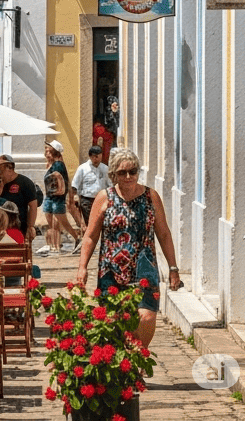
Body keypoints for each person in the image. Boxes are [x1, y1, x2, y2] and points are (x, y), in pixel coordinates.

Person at [76, 147, 182, 348]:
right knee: (115, 321)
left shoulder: (151, 197)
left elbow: (164, 234)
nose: (128, 176)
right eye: (122, 172)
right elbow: (90, 236)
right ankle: (125, 359)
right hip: (111, 269)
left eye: (132, 171)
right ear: (113, 174)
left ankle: (139, 353)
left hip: (145, 266)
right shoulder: (104, 197)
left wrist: (173, 268)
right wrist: (82, 267)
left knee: (146, 316)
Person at [41, 140, 79, 255]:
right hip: (50, 196)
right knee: (53, 223)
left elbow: (59, 180)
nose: (46, 152)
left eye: (49, 150)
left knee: (60, 222)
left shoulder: (58, 165)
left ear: (54, 152)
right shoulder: (53, 164)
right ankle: (55, 245)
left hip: (57, 197)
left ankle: (76, 238)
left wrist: (67, 195)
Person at [0, 154, 37, 238]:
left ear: (9, 168)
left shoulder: (25, 182)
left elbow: (33, 206)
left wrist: (30, 226)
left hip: (18, 229)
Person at [71, 145, 110, 231]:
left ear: (101, 156)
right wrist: (74, 198)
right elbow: (75, 184)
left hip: (102, 200)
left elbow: (110, 185)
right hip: (87, 201)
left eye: (97, 157)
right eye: (93, 157)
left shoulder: (105, 169)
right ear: (90, 157)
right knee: (90, 224)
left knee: (102, 223)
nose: (95, 159)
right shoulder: (82, 168)